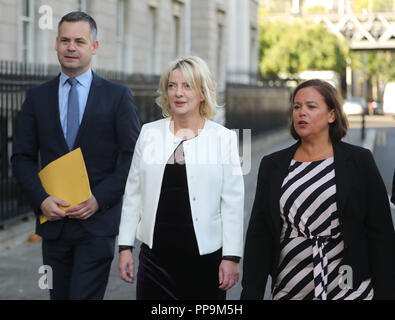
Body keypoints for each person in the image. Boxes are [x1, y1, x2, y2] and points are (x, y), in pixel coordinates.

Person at [11, 11, 141, 300]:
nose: (72, 47)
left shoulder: (117, 96)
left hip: (97, 226)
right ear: (56, 44)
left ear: (93, 47)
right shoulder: (36, 97)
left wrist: (99, 199)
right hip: (54, 226)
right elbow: (21, 157)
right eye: (66, 40)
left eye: (79, 41)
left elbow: (133, 157)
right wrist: (41, 200)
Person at [241, 79, 395, 300]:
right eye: (297, 106)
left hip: (348, 285)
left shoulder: (359, 161)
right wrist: (250, 294)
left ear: (332, 115)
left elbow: (381, 233)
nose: (301, 112)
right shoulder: (272, 164)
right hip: (291, 284)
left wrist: (387, 293)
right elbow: (259, 235)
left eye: (311, 106)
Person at [117, 56, 244, 300]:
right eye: (172, 86)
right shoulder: (148, 133)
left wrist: (231, 257)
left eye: (187, 86)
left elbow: (233, 203)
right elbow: (133, 194)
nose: (178, 93)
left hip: (206, 259)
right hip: (155, 260)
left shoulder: (223, 138)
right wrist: (125, 248)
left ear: (203, 93)